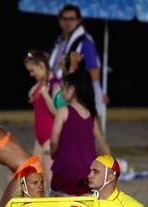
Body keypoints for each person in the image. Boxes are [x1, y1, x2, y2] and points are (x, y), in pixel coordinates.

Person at [51, 69, 110, 196]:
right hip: (87, 172)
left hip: (65, 170)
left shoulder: (63, 111)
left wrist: (53, 153)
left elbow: (54, 139)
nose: (61, 92)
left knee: (60, 206)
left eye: (64, 88)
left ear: (72, 89)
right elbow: (100, 141)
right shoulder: (91, 114)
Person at [49, 4, 107, 121]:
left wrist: (95, 94)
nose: (67, 22)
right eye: (64, 18)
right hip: (63, 93)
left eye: (71, 19)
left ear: (79, 20)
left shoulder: (85, 43)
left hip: (79, 97)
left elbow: (95, 74)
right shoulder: (60, 41)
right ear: (60, 20)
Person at [24, 49, 60, 189]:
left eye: (33, 71)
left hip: (50, 137)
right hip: (39, 139)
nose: (31, 74)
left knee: (51, 182)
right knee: (36, 178)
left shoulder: (56, 84)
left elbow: (59, 112)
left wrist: (45, 95)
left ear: (41, 65)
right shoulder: (40, 84)